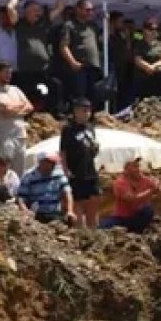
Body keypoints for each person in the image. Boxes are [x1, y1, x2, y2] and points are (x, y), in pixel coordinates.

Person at [11, 0, 64, 115]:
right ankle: (27, 116)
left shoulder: (44, 23)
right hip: (26, 69)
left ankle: (54, 113)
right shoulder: (20, 25)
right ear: (27, 11)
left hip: (43, 68)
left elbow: (59, 8)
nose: (38, 13)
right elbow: (10, 9)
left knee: (55, 86)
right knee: (26, 93)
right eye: (35, 10)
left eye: (39, 10)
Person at [0, 62, 32, 175]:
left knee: (19, 171)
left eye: (10, 73)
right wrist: (20, 105)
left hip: (20, 135)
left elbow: (30, 107)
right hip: (4, 137)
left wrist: (13, 109)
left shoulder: (16, 89)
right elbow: (7, 109)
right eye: (6, 72)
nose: (9, 75)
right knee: (2, 169)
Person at [60, 98, 101, 228]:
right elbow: (63, 151)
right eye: (84, 110)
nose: (87, 113)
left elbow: (92, 150)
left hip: (90, 169)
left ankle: (93, 230)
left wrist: (95, 148)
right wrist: (66, 170)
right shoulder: (68, 129)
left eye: (89, 110)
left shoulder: (91, 127)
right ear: (76, 111)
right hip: (76, 170)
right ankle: (79, 232)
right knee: (78, 201)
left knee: (94, 200)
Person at [100, 157, 161, 233]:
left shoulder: (144, 179)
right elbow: (132, 199)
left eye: (138, 166)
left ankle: (137, 230)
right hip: (122, 217)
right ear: (126, 170)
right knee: (102, 227)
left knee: (148, 209)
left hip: (138, 215)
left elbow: (158, 188)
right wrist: (151, 191)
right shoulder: (120, 183)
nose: (138, 169)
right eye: (134, 167)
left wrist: (160, 185)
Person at [59, 0, 103, 107]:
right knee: (79, 96)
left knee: (93, 95)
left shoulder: (92, 25)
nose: (90, 13)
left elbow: (101, 41)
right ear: (78, 10)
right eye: (87, 10)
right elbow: (64, 46)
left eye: (92, 10)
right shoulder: (70, 25)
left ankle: (90, 118)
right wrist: (73, 62)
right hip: (80, 67)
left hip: (93, 67)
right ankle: (78, 118)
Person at [17, 151, 75, 224]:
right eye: (50, 162)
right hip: (36, 215)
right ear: (41, 162)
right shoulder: (29, 176)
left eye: (54, 162)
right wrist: (25, 210)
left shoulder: (59, 173)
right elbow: (21, 197)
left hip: (55, 214)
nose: (53, 164)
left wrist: (70, 211)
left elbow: (67, 193)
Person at [132, 20, 161, 101]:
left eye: (156, 29)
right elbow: (137, 60)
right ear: (144, 30)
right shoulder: (138, 44)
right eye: (151, 29)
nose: (154, 32)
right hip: (143, 76)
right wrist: (147, 67)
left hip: (157, 73)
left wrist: (153, 66)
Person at [0, 4, 18, 69]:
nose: (2, 20)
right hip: (3, 70)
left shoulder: (19, 31)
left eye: (4, 17)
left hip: (19, 69)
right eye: (0, 18)